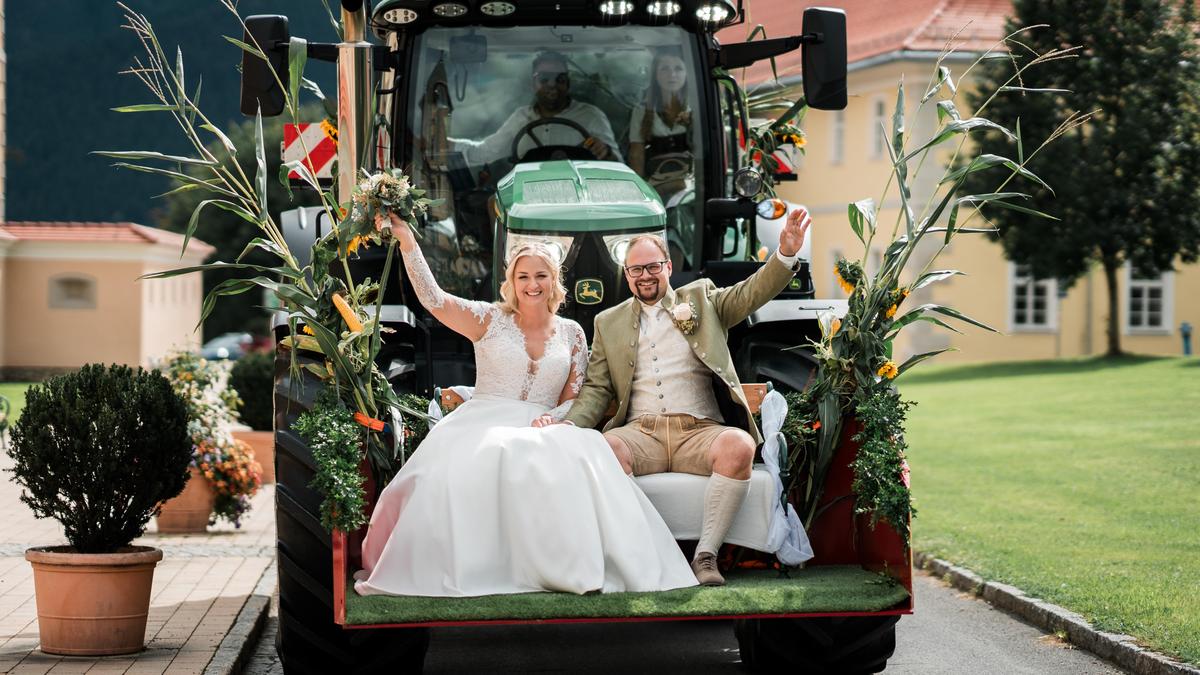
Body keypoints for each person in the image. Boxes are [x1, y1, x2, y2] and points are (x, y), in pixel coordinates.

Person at [354, 212, 696, 597]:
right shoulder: (487, 319)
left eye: (540, 275)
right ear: (511, 283)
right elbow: (434, 300)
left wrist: (556, 419)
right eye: (523, 276)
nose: (532, 284)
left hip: (547, 422)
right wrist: (407, 242)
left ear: (554, 280)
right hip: (483, 418)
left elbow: (576, 396)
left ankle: (573, 568)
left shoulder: (572, 333)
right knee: (484, 456)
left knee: (578, 454)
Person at [560, 208, 812, 586]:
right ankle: (640, 553)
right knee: (606, 447)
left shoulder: (702, 298)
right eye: (636, 270)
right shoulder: (607, 322)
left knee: (739, 446)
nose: (645, 275)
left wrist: (786, 254)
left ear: (668, 266)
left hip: (699, 431)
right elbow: (597, 389)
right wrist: (567, 427)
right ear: (626, 275)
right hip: (641, 434)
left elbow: (750, 293)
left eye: (652, 266)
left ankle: (706, 556)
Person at [462, 50, 622, 166]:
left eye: (559, 78)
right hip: (528, 200)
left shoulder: (591, 116)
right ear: (534, 83)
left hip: (581, 199)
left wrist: (606, 152)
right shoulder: (520, 117)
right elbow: (486, 152)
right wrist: (444, 144)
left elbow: (619, 167)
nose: (552, 85)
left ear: (568, 83)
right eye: (544, 78)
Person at [628, 50, 693, 199]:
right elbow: (636, 156)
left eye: (678, 68)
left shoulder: (696, 109)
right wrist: (640, 194)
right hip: (655, 188)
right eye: (665, 69)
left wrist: (692, 126)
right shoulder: (641, 111)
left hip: (689, 189)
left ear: (686, 74)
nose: (672, 75)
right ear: (655, 75)